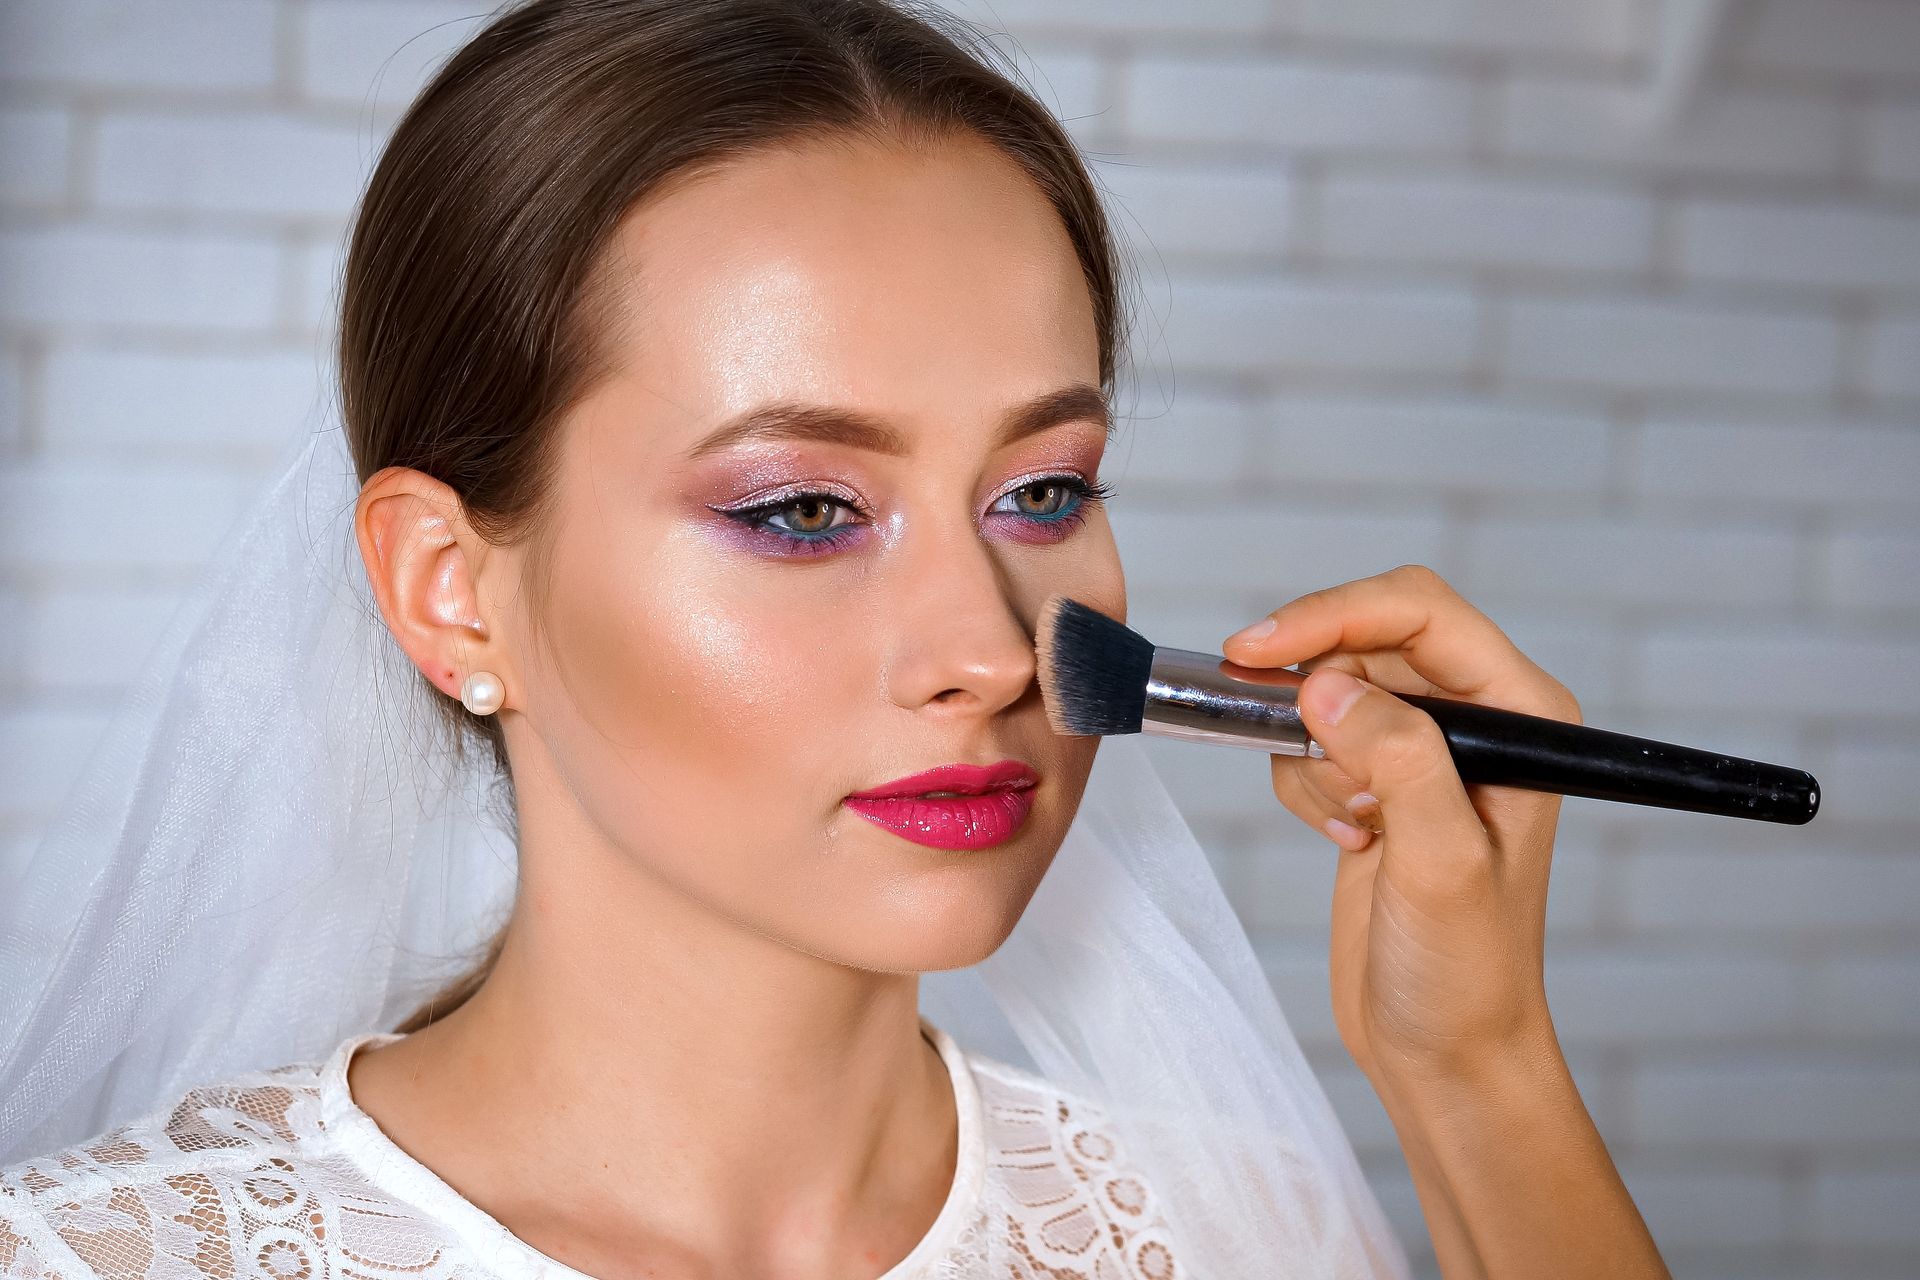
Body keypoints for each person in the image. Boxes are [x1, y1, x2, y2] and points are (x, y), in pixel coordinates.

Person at [0, 1, 1668, 1277]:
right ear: (450, 586)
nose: (994, 650)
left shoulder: (1223, 1235)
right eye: (803, 510)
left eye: (1039, 491)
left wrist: (1478, 1067)